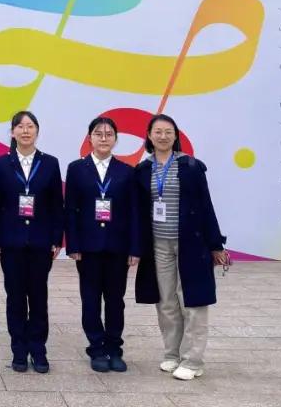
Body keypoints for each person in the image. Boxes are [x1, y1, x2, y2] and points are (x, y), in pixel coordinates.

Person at [134, 113, 228, 381]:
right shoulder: (142, 170)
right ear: (149, 136)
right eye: (158, 132)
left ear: (176, 136)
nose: (163, 136)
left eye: (168, 132)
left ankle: (193, 360)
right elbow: (138, 212)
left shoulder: (190, 166)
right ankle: (171, 354)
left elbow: (206, 206)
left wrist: (215, 244)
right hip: (158, 245)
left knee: (192, 301)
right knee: (166, 301)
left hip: (191, 244)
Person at [0, 110, 64, 374]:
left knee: (39, 297)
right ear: (12, 132)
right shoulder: (1, 163)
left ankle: (38, 350)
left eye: (30, 126)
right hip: (11, 243)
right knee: (16, 298)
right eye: (20, 126)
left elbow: (57, 205)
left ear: (37, 131)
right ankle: (19, 350)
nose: (25, 131)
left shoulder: (50, 163)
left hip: (42, 243)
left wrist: (57, 238)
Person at [64, 116, 140, 373]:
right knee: (90, 299)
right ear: (90, 138)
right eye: (98, 133)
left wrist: (135, 248)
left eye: (109, 134)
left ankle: (114, 348)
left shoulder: (127, 171)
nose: (104, 138)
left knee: (116, 300)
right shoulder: (76, 168)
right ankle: (96, 348)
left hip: (118, 247)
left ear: (116, 139)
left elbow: (134, 212)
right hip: (88, 248)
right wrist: (73, 244)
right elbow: (70, 209)